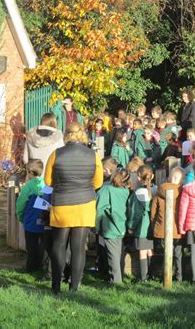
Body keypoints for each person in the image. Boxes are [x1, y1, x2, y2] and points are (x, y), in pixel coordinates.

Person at [44, 122, 103, 293]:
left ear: (66, 135)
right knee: (78, 247)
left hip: (62, 203)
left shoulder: (56, 154)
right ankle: (74, 287)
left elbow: (48, 181)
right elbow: (98, 182)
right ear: (82, 134)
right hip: (85, 204)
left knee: (59, 245)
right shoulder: (93, 155)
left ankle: (56, 284)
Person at [96, 169, 131, 285]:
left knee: (113, 255)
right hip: (121, 225)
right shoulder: (125, 191)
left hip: (109, 227)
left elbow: (99, 210)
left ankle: (116, 281)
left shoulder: (106, 190)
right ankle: (119, 276)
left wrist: (95, 227)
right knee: (119, 253)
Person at [150, 167, 185, 282]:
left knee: (165, 252)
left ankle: (165, 275)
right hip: (178, 228)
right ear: (181, 180)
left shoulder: (160, 191)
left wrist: (154, 224)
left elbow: (153, 211)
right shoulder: (182, 193)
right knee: (178, 253)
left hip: (161, 228)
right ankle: (179, 276)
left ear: (169, 177)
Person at [15, 159, 46, 272]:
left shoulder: (28, 187)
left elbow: (21, 203)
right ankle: (43, 265)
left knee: (31, 245)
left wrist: (20, 216)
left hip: (30, 221)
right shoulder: (47, 184)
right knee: (43, 244)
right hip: (44, 221)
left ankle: (31, 267)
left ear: (30, 173)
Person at [127, 165, 156, 281]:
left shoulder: (137, 193)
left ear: (139, 178)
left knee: (142, 252)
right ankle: (151, 274)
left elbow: (135, 213)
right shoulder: (155, 190)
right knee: (150, 250)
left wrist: (131, 226)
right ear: (152, 176)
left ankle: (143, 277)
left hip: (142, 228)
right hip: (152, 226)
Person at [23, 113, 64, 177]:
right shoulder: (58, 137)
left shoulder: (31, 135)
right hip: (50, 178)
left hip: (33, 177)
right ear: (54, 122)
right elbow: (61, 160)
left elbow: (25, 159)